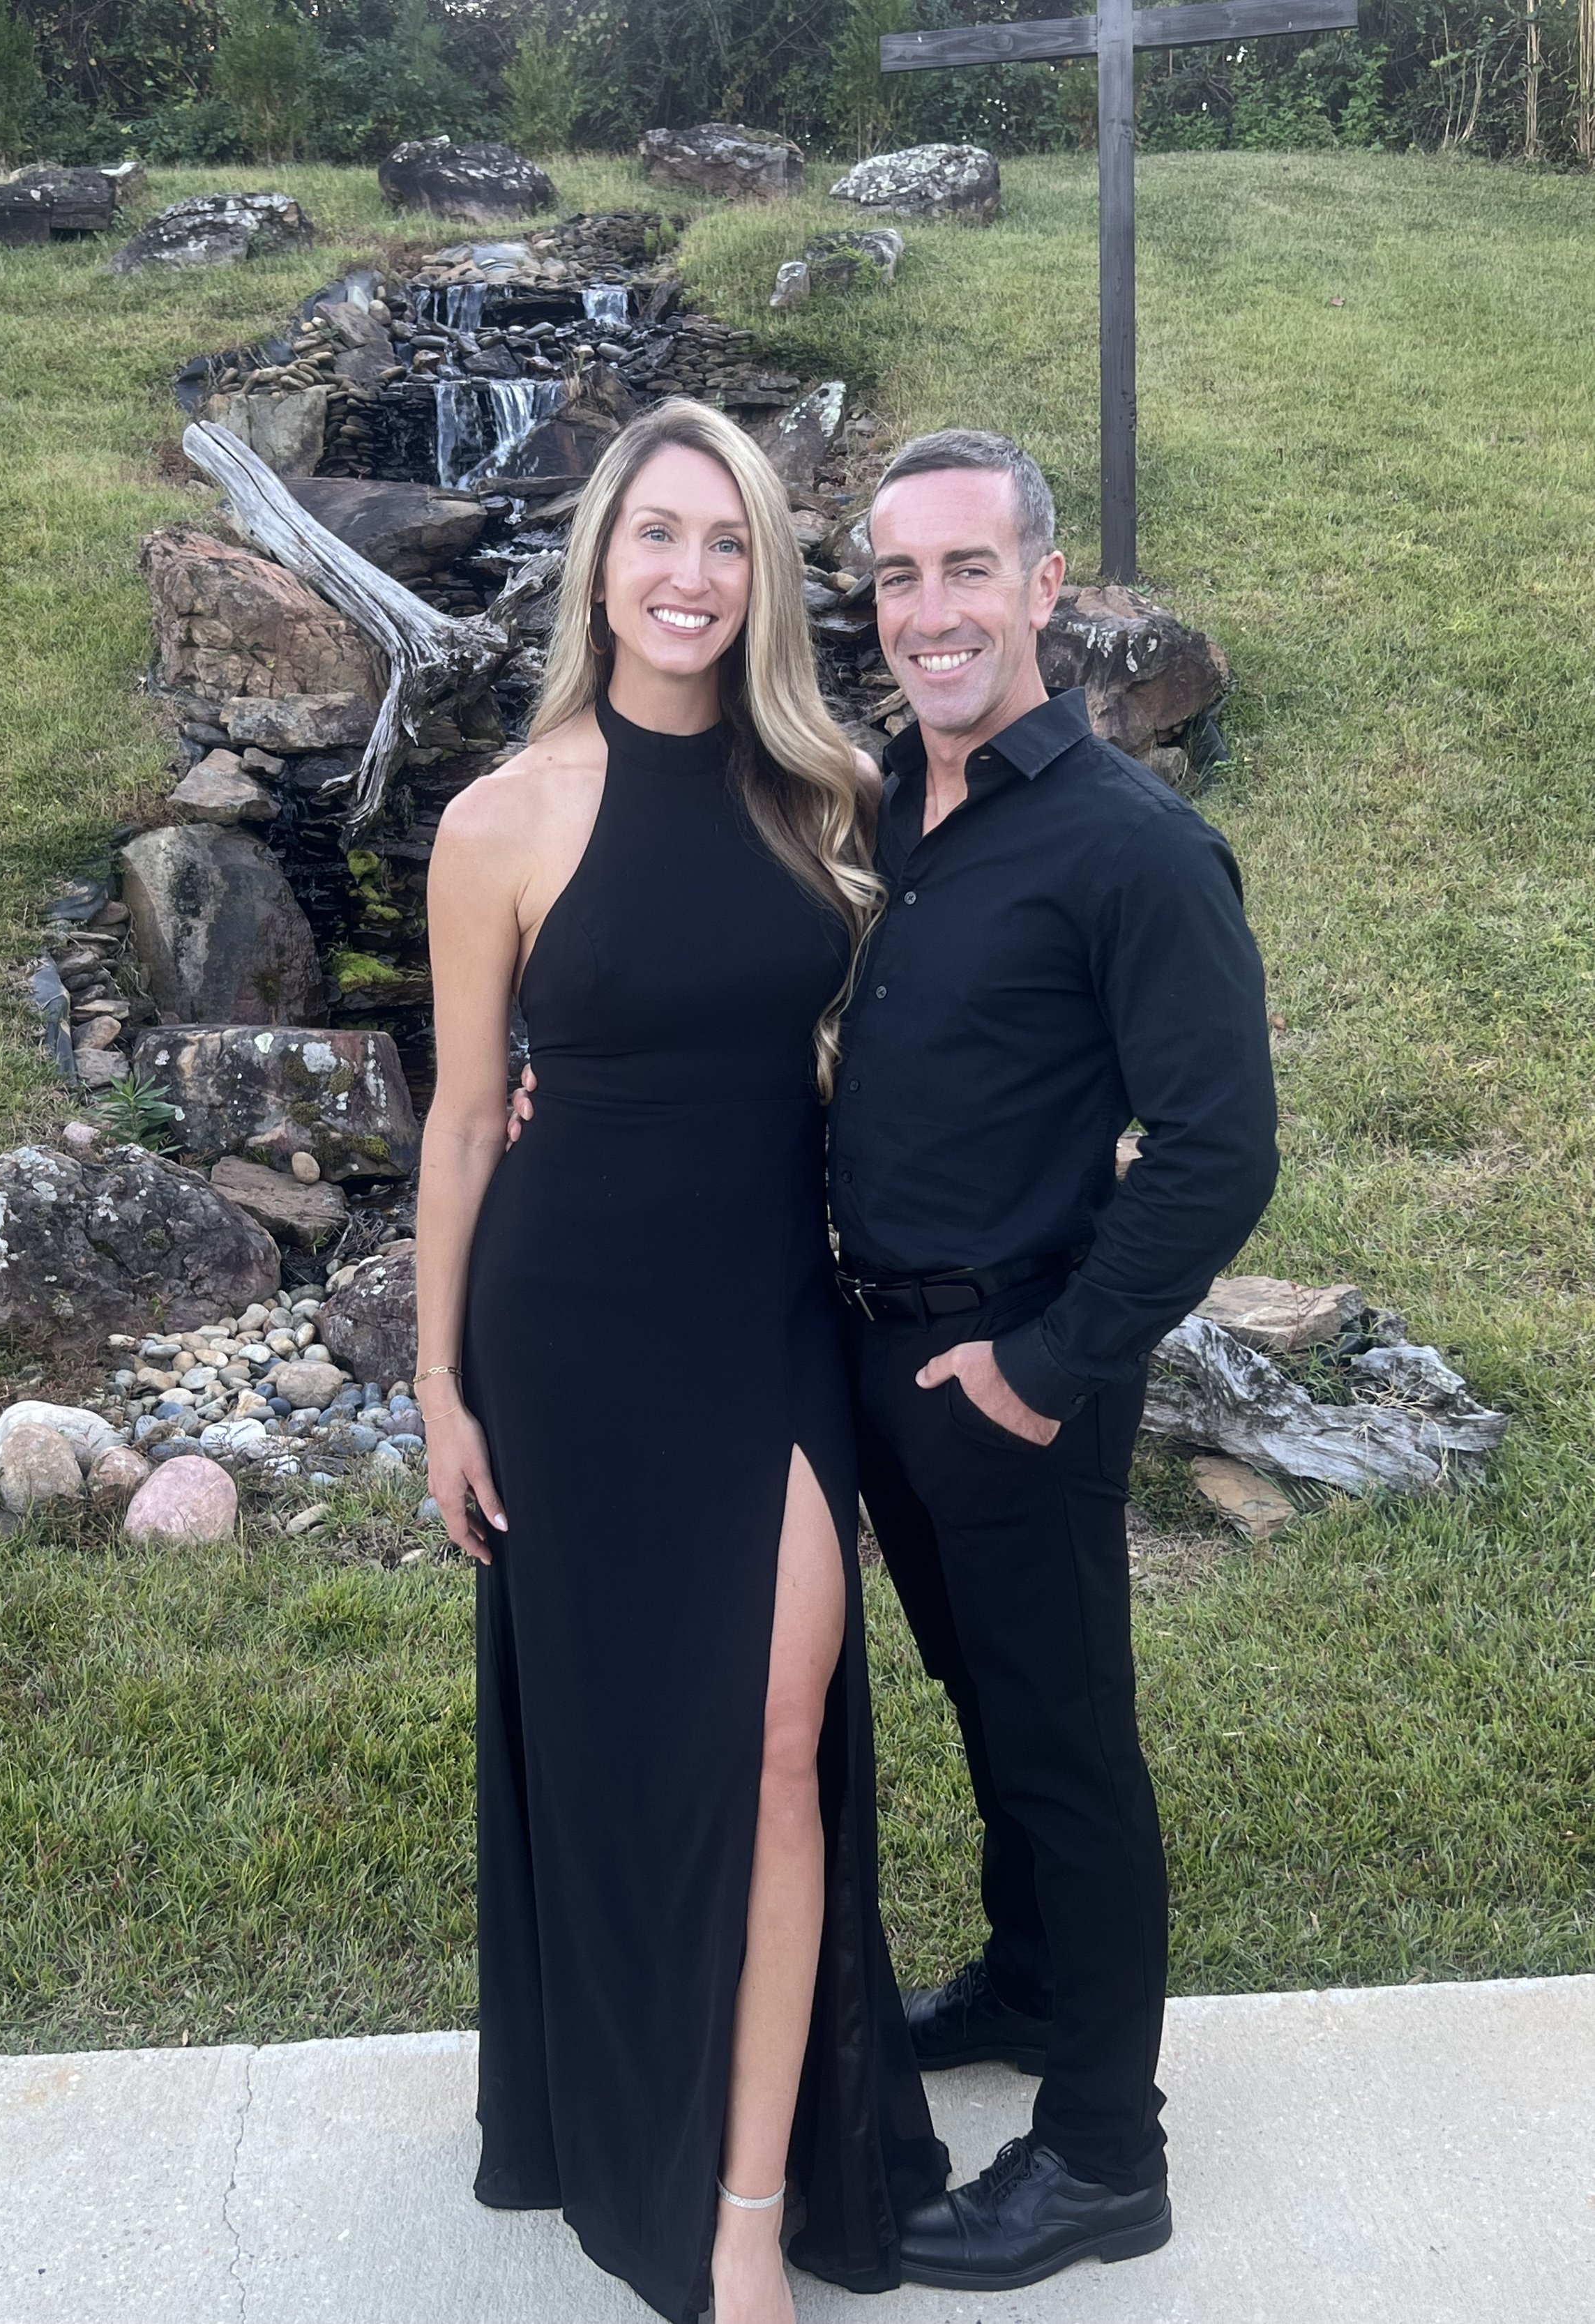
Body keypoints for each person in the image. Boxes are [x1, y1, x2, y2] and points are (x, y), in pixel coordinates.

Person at [413, 397, 948, 2324]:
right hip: (565, 1344)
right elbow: (468, 1121)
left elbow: (904, 1035)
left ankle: (740, 2214)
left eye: (726, 543)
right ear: (600, 560)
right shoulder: (501, 819)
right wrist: (435, 1387)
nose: (690, 577)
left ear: (764, 576)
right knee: (634, 1758)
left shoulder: (824, 789)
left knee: (783, 1748)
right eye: (657, 535)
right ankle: (622, 2095)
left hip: (767, 1326)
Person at [826, 428, 1280, 2291]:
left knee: (1066, 1747)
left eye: (964, 570)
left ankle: (1107, 2156)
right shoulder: (885, 810)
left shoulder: (1130, 846)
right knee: (990, 1708)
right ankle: (1026, 1985)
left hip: (1011, 1377)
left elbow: (1220, 1147)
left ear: (1044, 585)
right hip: (882, 1357)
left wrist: (1048, 1363)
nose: (929, 610)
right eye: (896, 578)